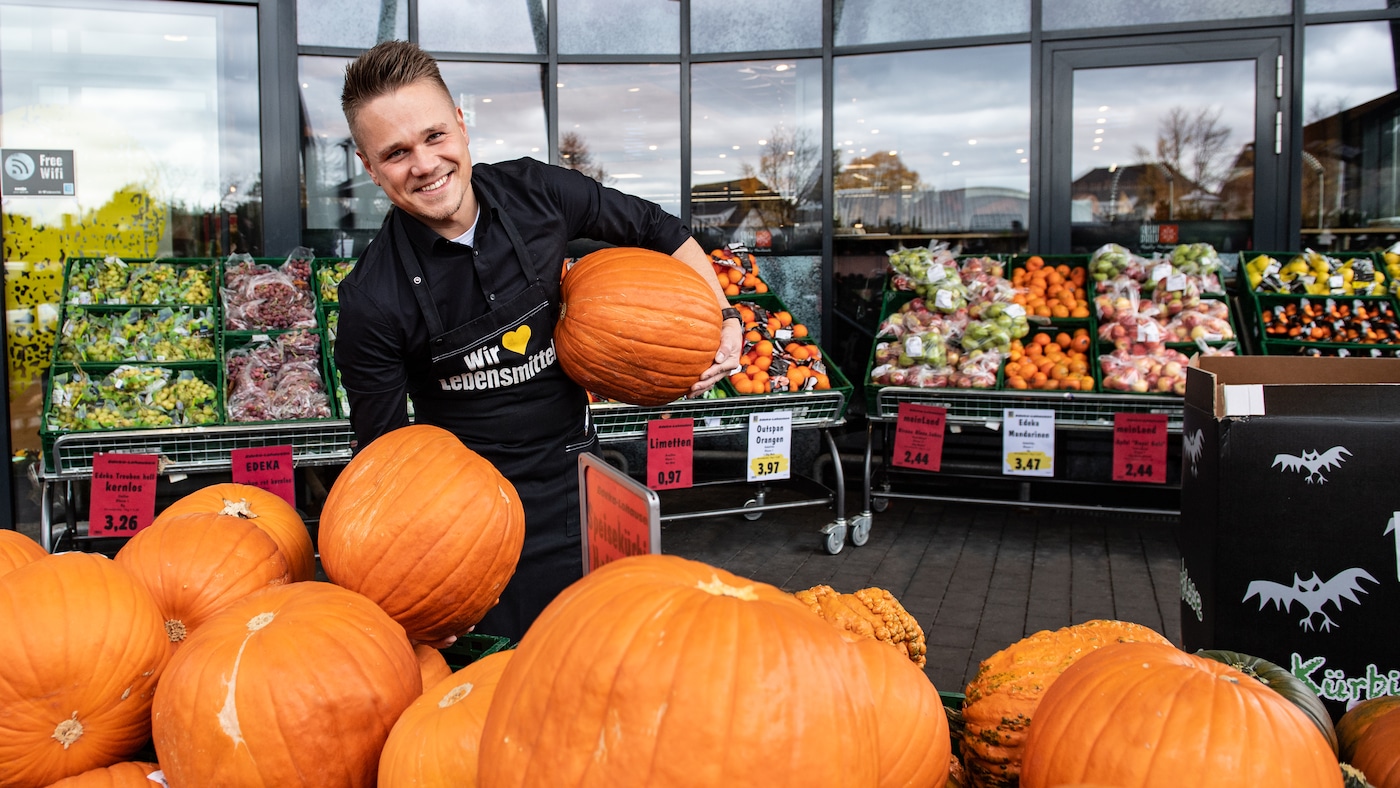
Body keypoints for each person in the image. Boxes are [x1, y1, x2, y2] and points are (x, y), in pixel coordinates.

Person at [335, 40, 743, 642]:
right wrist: (421, 593)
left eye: (434, 135)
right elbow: (385, 465)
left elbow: (659, 229)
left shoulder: (538, 194)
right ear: (372, 169)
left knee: (611, 664)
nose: (424, 164)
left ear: (462, 127)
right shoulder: (371, 300)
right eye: (396, 153)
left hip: (585, 489)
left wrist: (723, 312)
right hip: (473, 533)